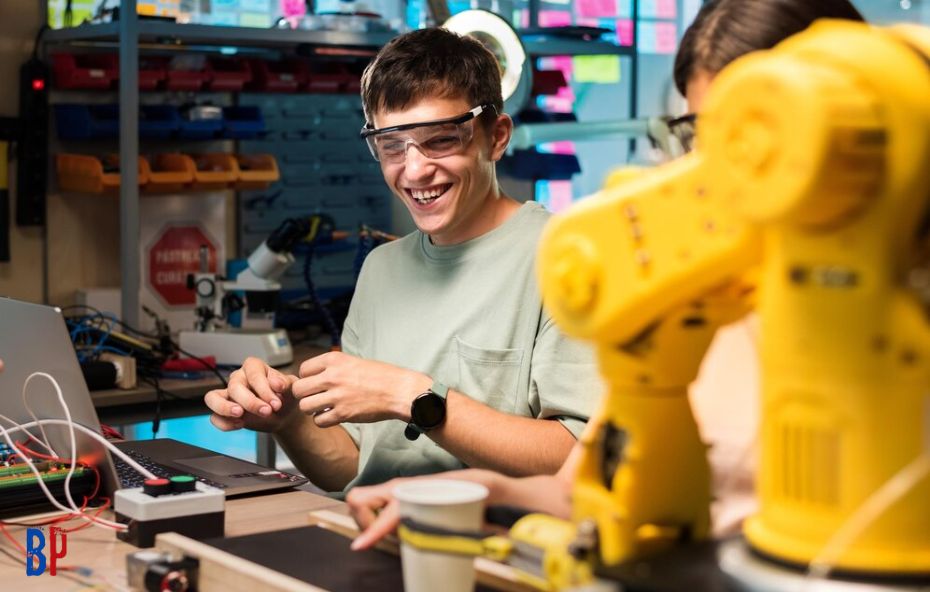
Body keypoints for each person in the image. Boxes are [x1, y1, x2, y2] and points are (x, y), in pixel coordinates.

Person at [347, 0, 865, 550]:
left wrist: (418, 399)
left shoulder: (887, 316)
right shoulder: (693, 301)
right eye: (699, 135)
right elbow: (591, 492)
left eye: (752, 136)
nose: (717, 171)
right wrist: (483, 493)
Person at [204, 28, 601, 494]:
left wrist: (409, 397)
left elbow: (581, 460)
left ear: (496, 137)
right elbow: (354, 465)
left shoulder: (568, 259)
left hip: (503, 551)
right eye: (392, 145)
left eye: (440, 140)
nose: (413, 170)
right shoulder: (381, 270)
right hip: (382, 538)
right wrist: (288, 419)